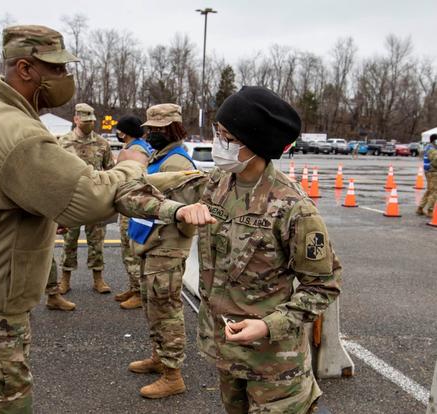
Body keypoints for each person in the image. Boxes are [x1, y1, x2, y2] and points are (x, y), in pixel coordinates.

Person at [0, 25, 147, 413]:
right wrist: (134, 167)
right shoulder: (14, 128)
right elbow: (89, 199)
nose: (65, 79)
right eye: (56, 69)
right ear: (25, 69)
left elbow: (1, 188)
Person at [115, 86, 341, 413]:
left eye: (226, 137)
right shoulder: (217, 183)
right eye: (217, 133)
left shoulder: (293, 209)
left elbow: (324, 284)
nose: (218, 143)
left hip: (274, 368)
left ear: (256, 143)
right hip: (226, 353)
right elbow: (128, 194)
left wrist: (268, 325)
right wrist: (175, 211)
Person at [124, 103, 196, 399]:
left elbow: (188, 214)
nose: (150, 134)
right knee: (153, 307)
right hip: (151, 245)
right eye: (149, 129)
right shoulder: (161, 157)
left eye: (156, 129)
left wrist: (172, 246)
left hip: (165, 249)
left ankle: (172, 374)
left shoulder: (177, 163)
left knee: (166, 311)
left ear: (172, 129)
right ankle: (158, 357)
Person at [58, 103, 115, 295]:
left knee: (97, 241)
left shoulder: (102, 144)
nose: (89, 124)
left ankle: (98, 279)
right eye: (85, 121)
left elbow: (110, 172)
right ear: (76, 119)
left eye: (92, 121)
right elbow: (54, 173)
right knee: (69, 241)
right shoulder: (63, 142)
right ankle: (64, 279)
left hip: (95, 200)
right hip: (70, 200)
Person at [113, 115, 152, 309]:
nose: (117, 132)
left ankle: (138, 292)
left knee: (131, 251)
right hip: (130, 203)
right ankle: (133, 286)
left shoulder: (136, 150)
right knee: (127, 249)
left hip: (133, 205)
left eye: (119, 129)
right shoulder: (135, 147)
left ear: (124, 132)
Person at [417, 133, 437, 216]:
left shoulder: (429, 147)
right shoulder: (432, 150)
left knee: (429, 190)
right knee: (434, 192)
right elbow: (436, 162)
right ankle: (430, 210)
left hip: (430, 172)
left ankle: (420, 208)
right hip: (433, 172)